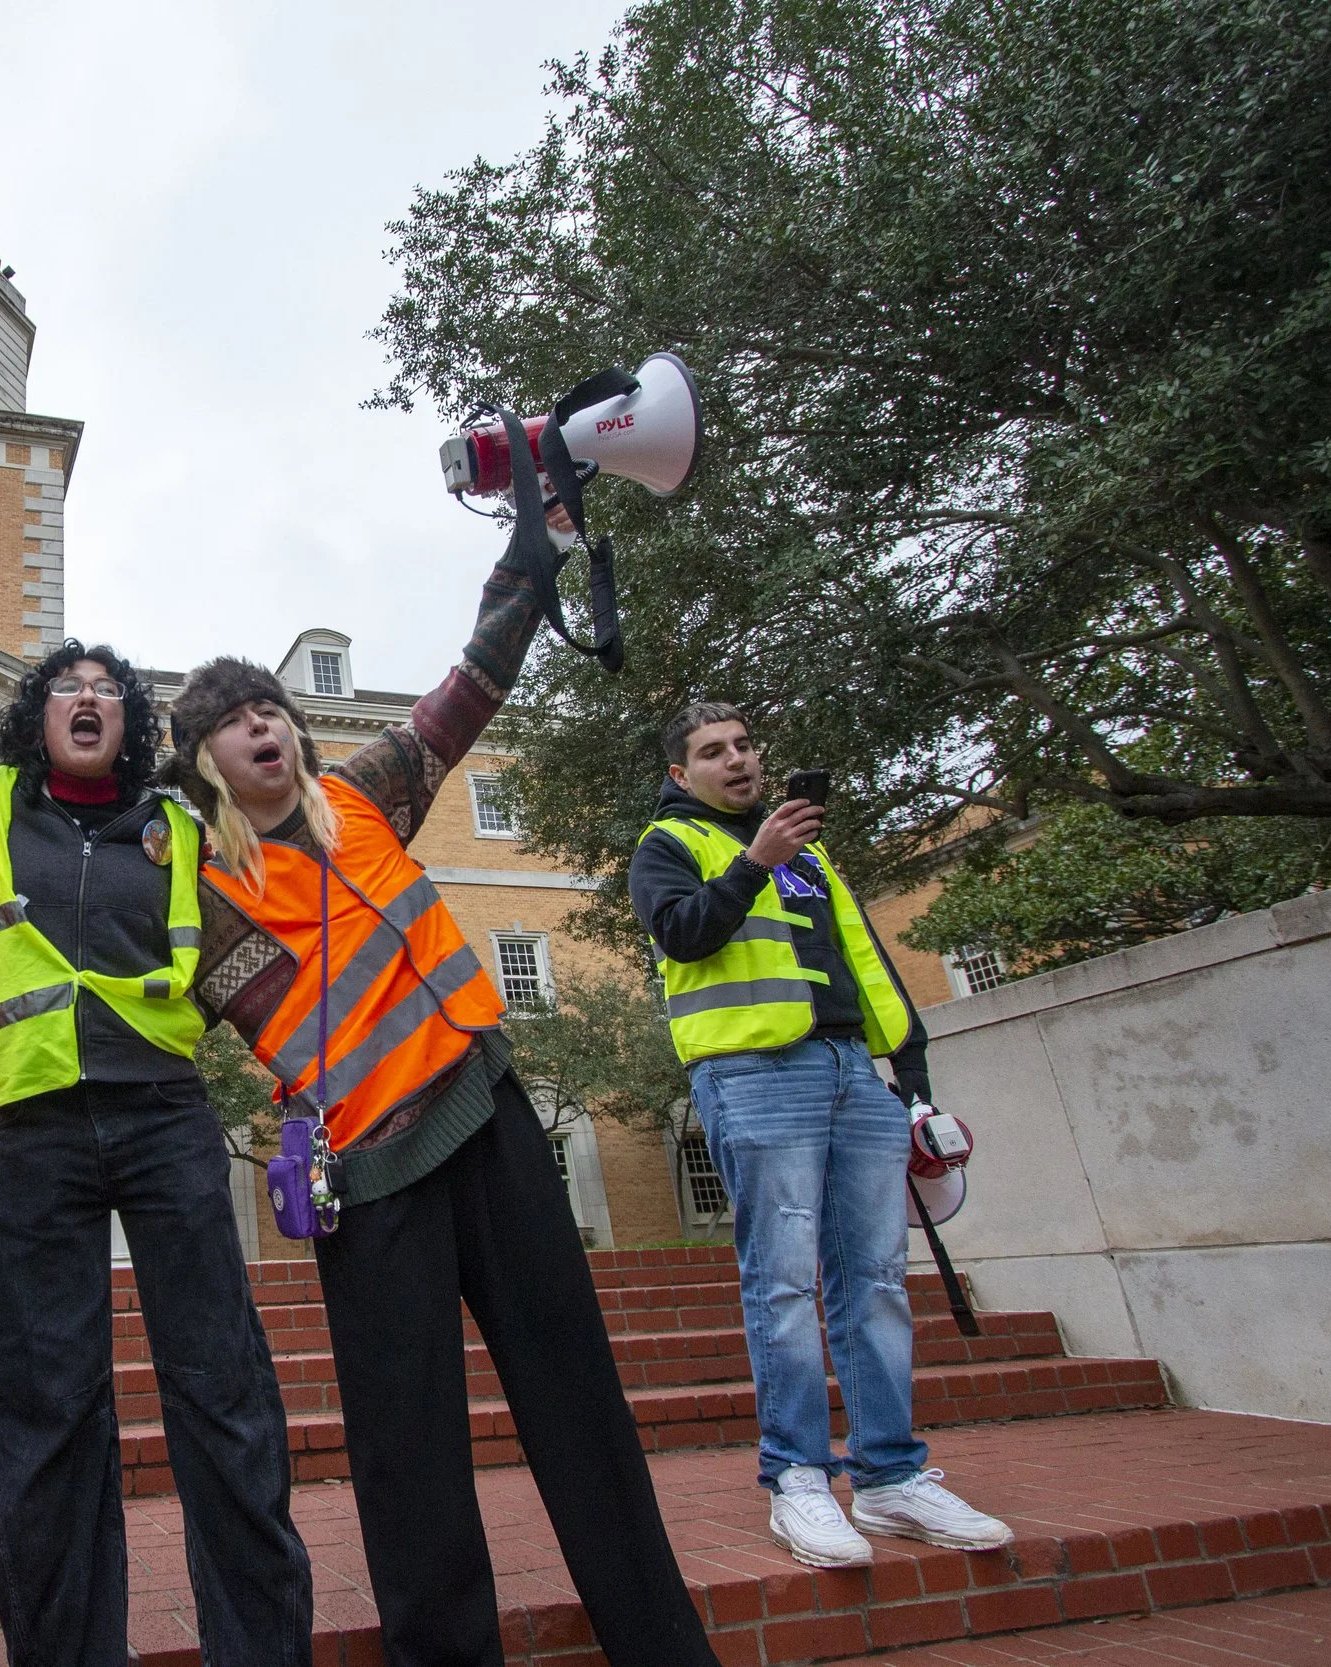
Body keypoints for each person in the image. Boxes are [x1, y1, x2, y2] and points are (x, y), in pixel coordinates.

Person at [162, 507, 720, 1666]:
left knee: (580, 1402)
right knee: (405, 1448)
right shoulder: (193, 890)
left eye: (267, 705)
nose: (257, 723)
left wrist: (535, 549)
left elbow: (471, 683)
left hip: (488, 1118)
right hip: (365, 1183)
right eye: (226, 719)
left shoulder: (367, 794)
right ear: (200, 761)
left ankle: (663, 1644)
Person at [0, 642, 315, 1667]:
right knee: (43, 1406)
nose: (85, 699)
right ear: (37, 713)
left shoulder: (177, 828)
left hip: (165, 1116)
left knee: (221, 1388)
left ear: (130, 721)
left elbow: (272, 906)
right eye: (65, 687)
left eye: (105, 689)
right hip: (33, 1127)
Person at [629, 702, 1011, 1569]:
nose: (738, 760)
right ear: (681, 775)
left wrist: (910, 1084)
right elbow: (682, 934)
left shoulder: (816, 855)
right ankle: (798, 1477)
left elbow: (866, 959)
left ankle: (889, 1476)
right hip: (757, 1078)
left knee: (875, 1280)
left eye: (745, 744)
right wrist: (755, 863)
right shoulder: (670, 846)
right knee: (784, 1285)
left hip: (853, 1074)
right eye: (712, 752)